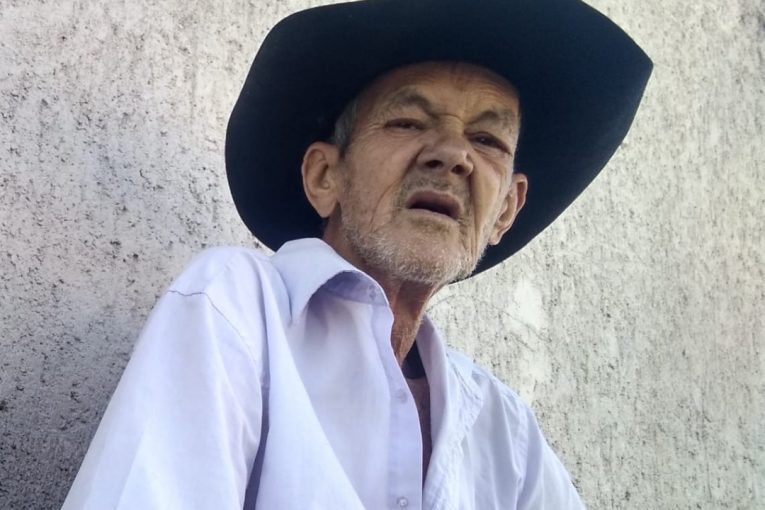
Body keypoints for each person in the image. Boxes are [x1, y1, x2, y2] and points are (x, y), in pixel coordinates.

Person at [63, 0, 651, 508]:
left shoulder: (507, 431)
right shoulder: (236, 307)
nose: (453, 155)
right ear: (326, 176)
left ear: (505, 211)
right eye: (407, 122)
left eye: (486, 139)